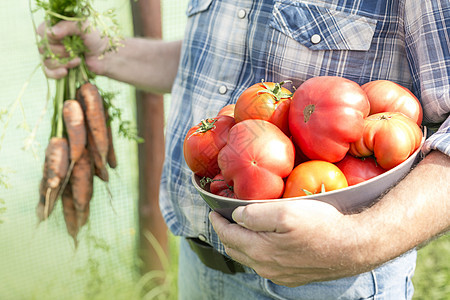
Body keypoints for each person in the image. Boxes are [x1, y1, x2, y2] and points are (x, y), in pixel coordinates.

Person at [38, 0, 449, 299]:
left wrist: (356, 242)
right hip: (199, 267)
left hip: (326, 286)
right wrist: (106, 52)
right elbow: (215, 62)